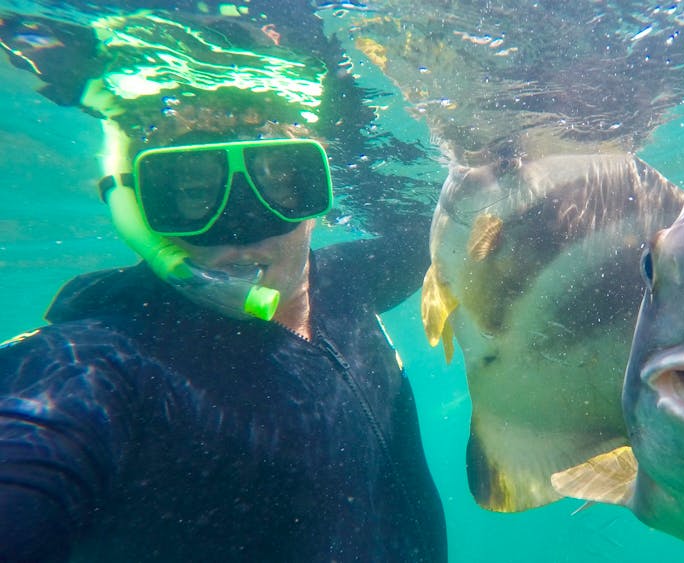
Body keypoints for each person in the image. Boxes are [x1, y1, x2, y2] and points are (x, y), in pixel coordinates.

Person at [0, 3, 446, 561]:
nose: (240, 233)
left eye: (283, 184)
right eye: (191, 193)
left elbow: (432, 225)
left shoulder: (345, 283)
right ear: (139, 208)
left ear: (320, 194)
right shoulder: (109, 366)